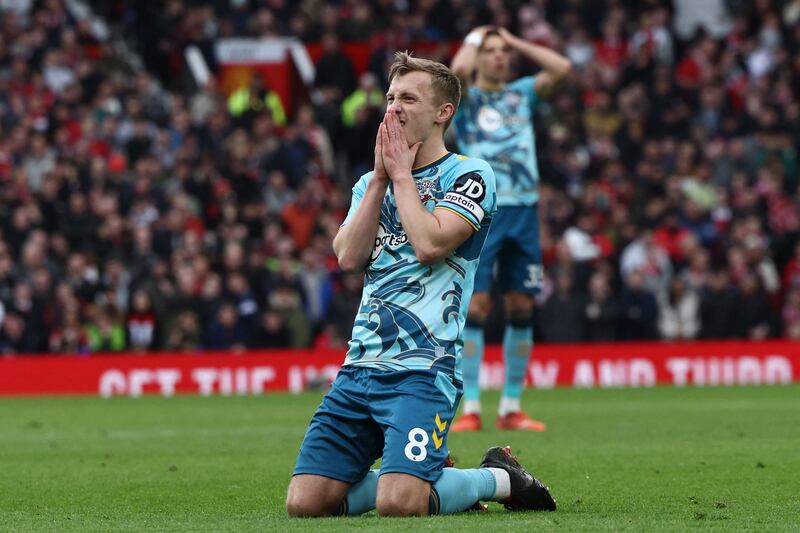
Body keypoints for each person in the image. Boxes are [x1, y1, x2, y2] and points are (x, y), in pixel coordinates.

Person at [286, 52, 556, 518]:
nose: (394, 108)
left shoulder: (471, 174)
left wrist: (402, 175)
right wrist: (377, 180)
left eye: (408, 98)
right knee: (305, 505)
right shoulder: (369, 183)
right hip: (359, 368)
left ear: (442, 113)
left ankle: (498, 478)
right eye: (390, 98)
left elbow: (431, 244)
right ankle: (431, 476)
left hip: (425, 372)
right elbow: (348, 256)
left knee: (400, 504)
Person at [449, 26, 572, 431]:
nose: (500, 57)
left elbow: (562, 67)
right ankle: (470, 409)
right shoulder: (464, 99)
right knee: (478, 306)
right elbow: (457, 70)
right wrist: (475, 36)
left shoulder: (522, 92)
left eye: (504, 52)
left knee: (523, 305)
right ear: (478, 57)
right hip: (483, 211)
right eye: (492, 51)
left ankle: (511, 408)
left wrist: (516, 41)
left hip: (524, 213)